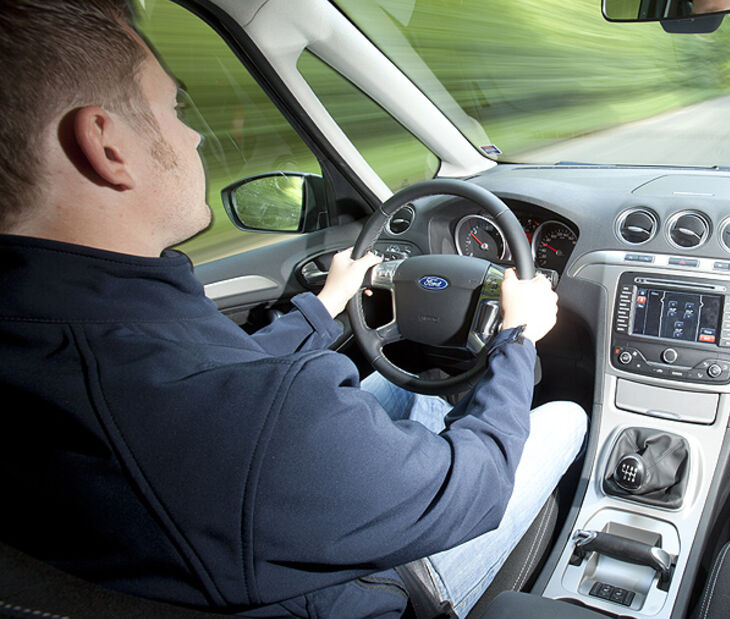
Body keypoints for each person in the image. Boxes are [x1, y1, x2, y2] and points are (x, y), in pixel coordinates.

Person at [0, 1, 587, 617]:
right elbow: (476, 489)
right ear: (106, 144)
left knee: (424, 394)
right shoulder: (249, 420)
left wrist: (327, 304)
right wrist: (517, 338)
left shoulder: (78, 330)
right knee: (566, 417)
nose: (194, 133)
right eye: (174, 109)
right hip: (370, 593)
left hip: (215, 540)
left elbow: (222, 376)